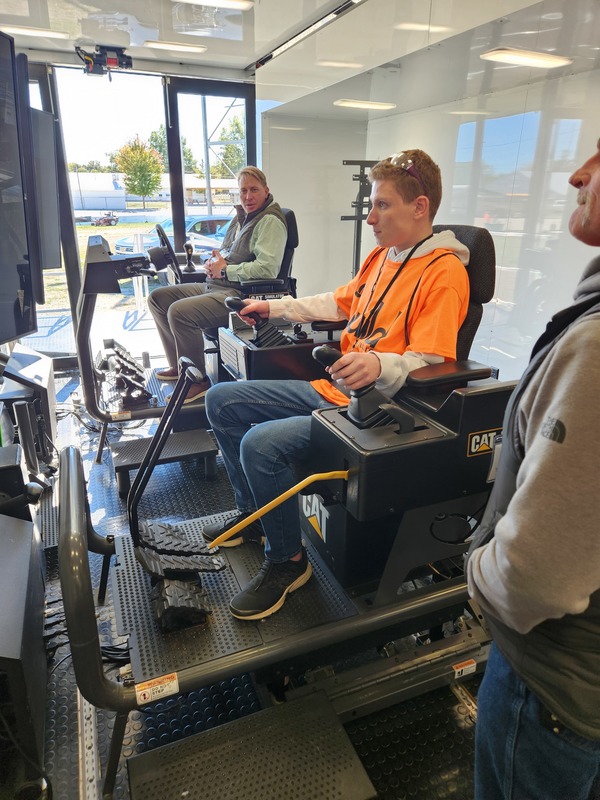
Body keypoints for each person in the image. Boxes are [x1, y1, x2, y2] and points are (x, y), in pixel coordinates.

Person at [204, 148, 471, 621]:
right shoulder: (382, 258)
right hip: (336, 393)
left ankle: (288, 562)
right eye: (373, 205)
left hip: (379, 412)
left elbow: (431, 359)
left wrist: (379, 365)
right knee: (222, 400)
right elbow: (339, 302)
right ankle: (254, 520)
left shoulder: (443, 272)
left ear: (420, 207)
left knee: (259, 446)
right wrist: (276, 307)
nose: (371, 218)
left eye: (382, 205)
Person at [466, 141, 600, 799]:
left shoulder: (596, 346)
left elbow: (536, 578)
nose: (577, 174)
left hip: (551, 686)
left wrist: (478, 571)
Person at [148, 166, 287, 403]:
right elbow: (227, 250)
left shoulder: (270, 222)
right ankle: (180, 366)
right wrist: (213, 260)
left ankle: (197, 379)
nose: (247, 196)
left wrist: (225, 269)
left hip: (240, 293)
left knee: (179, 312)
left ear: (266, 191)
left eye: (254, 190)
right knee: (158, 298)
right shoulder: (242, 216)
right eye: (243, 190)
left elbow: (267, 269)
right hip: (217, 284)